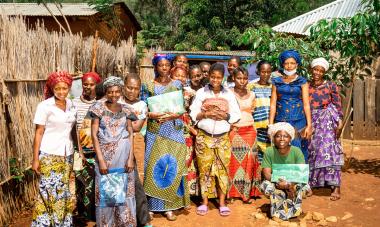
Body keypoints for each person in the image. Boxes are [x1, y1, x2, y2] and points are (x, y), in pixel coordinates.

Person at [141, 54, 190, 221]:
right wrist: (150, 114)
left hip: (173, 129)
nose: (164, 68)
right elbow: (142, 108)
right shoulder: (147, 85)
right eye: (160, 65)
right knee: (153, 166)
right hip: (155, 131)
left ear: (171, 67)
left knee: (172, 164)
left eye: (167, 65)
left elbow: (183, 107)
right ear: (155, 67)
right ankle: (151, 206)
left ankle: (170, 206)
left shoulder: (177, 84)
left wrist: (173, 115)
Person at [190, 63, 241, 217]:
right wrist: (205, 115)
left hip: (223, 138)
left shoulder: (229, 94)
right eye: (213, 77)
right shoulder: (201, 93)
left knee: (223, 171)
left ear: (223, 78)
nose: (216, 80)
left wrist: (225, 116)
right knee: (204, 170)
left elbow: (236, 115)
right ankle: (204, 202)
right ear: (209, 76)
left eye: (219, 77)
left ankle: (222, 203)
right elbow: (193, 113)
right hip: (204, 137)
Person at [90, 76, 137, 226]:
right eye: (110, 92)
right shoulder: (97, 109)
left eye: (117, 91)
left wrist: (130, 159)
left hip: (124, 158)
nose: (114, 95)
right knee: (106, 194)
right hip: (106, 159)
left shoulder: (127, 110)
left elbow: (130, 134)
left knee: (125, 193)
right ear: (106, 92)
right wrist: (101, 161)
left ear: (121, 91)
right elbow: (94, 135)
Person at [31, 71, 76, 226]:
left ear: (69, 88)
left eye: (65, 88)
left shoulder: (71, 105)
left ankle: (62, 223)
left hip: (67, 154)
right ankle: (45, 223)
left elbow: (73, 130)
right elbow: (39, 132)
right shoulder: (44, 106)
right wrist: (35, 159)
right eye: (58, 89)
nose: (61, 92)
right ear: (52, 88)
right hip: (49, 155)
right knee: (48, 191)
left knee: (63, 192)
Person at [308, 57, 344, 201]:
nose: (317, 72)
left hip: (327, 119)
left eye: (320, 71)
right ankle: (311, 183)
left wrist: (339, 121)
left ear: (324, 72)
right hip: (311, 120)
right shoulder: (306, 85)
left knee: (329, 150)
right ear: (311, 70)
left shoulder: (330, 86)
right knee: (312, 150)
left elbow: (337, 104)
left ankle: (336, 186)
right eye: (315, 69)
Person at [260, 122, 312, 221]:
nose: (282, 139)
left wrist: (289, 184)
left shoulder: (296, 151)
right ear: (273, 138)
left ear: (290, 138)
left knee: (303, 186)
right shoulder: (269, 151)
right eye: (278, 136)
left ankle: (294, 211)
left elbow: (301, 174)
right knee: (266, 186)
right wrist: (278, 182)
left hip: (294, 182)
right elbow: (266, 174)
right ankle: (278, 212)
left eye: (285, 136)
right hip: (276, 182)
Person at [121, 74, 153, 227]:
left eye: (136, 89)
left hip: (137, 142)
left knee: (137, 181)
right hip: (118, 144)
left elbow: (137, 127)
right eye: (129, 88)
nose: (132, 91)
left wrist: (118, 121)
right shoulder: (116, 101)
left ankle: (142, 218)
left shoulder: (141, 105)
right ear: (123, 87)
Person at [269, 50, 312, 161]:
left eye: (292, 63)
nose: (289, 66)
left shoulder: (302, 81)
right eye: (286, 63)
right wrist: (270, 124)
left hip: (299, 121)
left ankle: (299, 177)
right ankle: (282, 177)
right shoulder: (276, 81)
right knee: (281, 148)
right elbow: (273, 104)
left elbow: (306, 104)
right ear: (283, 64)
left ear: (297, 64)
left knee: (299, 150)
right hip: (281, 121)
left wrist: (309, 125)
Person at [227, 66, 260, 203]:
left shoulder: (252, 94)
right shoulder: (228, 93)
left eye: (245, 78)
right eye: (239, 78)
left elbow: (251, 111)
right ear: (233, 78)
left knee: (249, 161)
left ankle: (246, 194)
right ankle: (232, 194)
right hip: (234, 130)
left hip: (249, 130)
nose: (242, 81)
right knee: (233, 162)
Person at [72, 71, 102, 221]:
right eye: (85, 84)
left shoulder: (100, 102)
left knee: (96, 182)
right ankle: (82, 213)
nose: (88, 87)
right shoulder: (75, 103)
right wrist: (80, 151)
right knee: (81, 182)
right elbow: (74, 127)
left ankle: (94, 213)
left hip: (98, 149)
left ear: (97, 85)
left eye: (91, 84)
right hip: (80, 148)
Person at [248, 60, 273, 163]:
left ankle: (268, 177)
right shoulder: (251, 87)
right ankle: (257, 177)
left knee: (269, 152)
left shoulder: (273, 87)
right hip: (256, 125)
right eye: (263, 71)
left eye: (268, 72)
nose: (266, 74)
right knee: (256, 153)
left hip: (270, 126)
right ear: (258, 71)